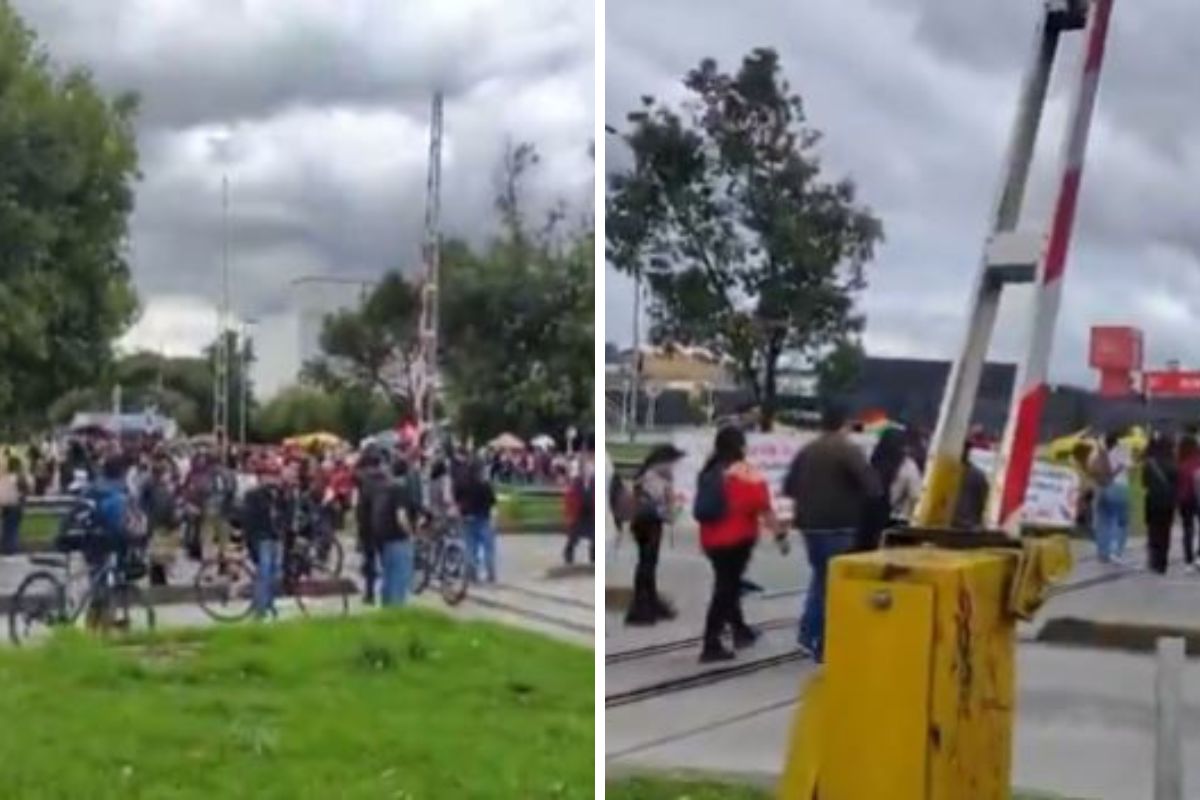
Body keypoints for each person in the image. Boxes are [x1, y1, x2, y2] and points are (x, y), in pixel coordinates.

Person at [783, 402, 881, 661]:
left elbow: (789, 487)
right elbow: (872, 487)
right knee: (835, 584)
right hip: (840, 526)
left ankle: (808, 632)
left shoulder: (806, 450)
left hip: (809, 526)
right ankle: (825, 642)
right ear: (844, 423)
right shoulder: (848, 450)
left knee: (820, 577)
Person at [696, 427, 787, 663]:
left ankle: (740, 630)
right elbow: (764, 509)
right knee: (725, 590)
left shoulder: (710, 470)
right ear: (741, 447)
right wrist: (780, 536)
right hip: (736, 541)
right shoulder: (748, 474)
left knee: (728, 585)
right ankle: (711, 643)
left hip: (710, 541)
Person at [623, 444, 683, 626]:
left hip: (645, 524)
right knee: (646, 565)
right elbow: (659, 506)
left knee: (648, 564)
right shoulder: (652, 478)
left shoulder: (650, 476)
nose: (673, 467)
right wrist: (672, 507)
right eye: (672, 463)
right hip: (648, 525)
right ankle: (641, 607)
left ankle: (648, 603)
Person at [861, 427, 921, 550]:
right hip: (894, 522)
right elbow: (916, 495)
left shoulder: (871, 462)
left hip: (866, 522)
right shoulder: (907, 465)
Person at [242, 461, 285, 619]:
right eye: (269, 476)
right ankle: (260, 608)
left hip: (274, 537)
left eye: (274, 476)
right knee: (264, 573)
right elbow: (250, 519)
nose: (272, 480)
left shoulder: (278, 494)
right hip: (261, 537)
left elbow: (282, 514)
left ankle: (268, 603)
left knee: (274, 573)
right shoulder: (254, 495)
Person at [374, 459, 417, 606]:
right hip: (399, 538)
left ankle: (385, 610)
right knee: (399, 577)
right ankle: (397, 610)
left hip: (384, 538)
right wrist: (410, 532)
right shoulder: (401, 489)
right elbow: (401, 516)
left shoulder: (385, 487)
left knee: (388, 576)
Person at [1089, 431, 1131, 564]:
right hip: (1119, 487)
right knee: (1121, 522)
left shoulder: (1098, 450)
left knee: (1103, 521)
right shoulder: (1123, 449)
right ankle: (1116, 551)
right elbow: (1126, 466)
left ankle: (1102, 552)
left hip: (1101, 488)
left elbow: (1091, 466)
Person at [454, 460, 498, 583]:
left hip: (467, 519)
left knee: (470, 547)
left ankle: (472, 573)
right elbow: (492, 503)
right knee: (488, 547)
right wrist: (494, 519)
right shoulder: (485, 485)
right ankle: (490, 573)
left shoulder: (463, 483)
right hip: (483, 518)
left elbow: (457, 500)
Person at [354, 449, 388, 605]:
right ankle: (386, 592)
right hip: (383, 525)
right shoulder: (386, 479)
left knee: (369, 560)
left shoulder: (363, 479)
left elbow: (354, 471)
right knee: (385, 560)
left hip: (367, 525)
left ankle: (369, 594)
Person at [1143, 433, 1178, 575]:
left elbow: (1144, 483)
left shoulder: (1149, 463)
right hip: (1168, 502)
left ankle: (1153, 560)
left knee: (1153, 531)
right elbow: (1177, 483)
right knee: (1165, 532)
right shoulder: (1173, 464)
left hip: (1152, 501)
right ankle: (1162, 562)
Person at [952, 444, 990, 530]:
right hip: (970, 525)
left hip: (960, 525)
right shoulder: (979, 475)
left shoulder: (946, 472)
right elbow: (982, 503)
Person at [1177, 436, 1200, 572]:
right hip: (1197, 497)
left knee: (1188, 530)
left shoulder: (1180, 463)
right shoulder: (1198, 460)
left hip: (1184, 500)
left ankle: (1188, 561)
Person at [0, 456, 28, 555]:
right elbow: (25, 490)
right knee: (13, 528)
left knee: (6, 527)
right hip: (15, 505)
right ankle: (12, 548)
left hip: (5, 505)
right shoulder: (19, 477)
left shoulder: (5, 477)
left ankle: (6, 548)